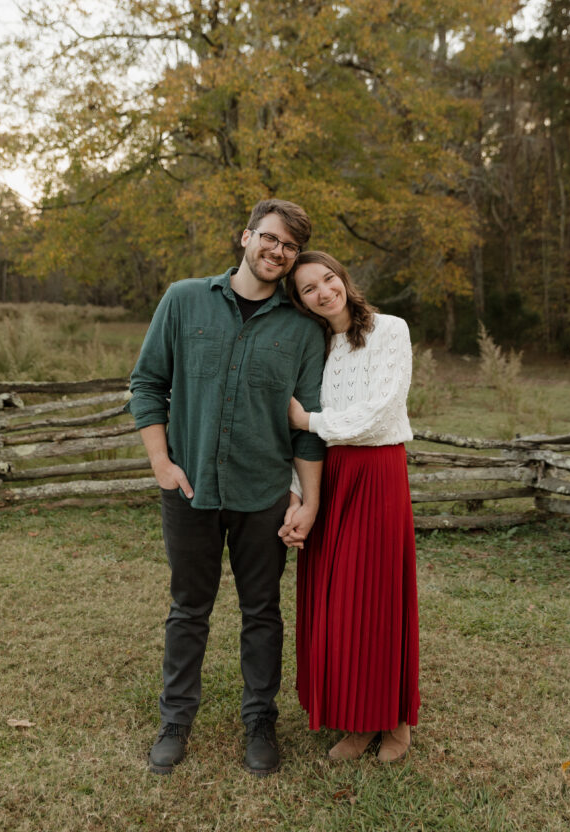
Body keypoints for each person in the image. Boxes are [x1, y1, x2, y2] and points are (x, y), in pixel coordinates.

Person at [127, 200, 325, 777]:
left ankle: (260, 722)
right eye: (270, 238)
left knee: (262, 612)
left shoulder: (302, 328)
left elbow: (308, 424)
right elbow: (147, 384)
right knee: (188, 608)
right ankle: (175, 721)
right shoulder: (184, 298)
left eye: (289, 246)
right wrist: (162, 464)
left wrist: (308, 501)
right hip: (189, 489)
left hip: (263, 493)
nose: (277, 251)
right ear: (246, 237)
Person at [279, 250, 419, 762]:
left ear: (343, 278)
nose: (323, 292)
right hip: (330, 477)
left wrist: (310, 422)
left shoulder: (390, 330)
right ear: (299, 302)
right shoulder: (313, 344)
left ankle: (396, 722)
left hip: (377, 473)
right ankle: (356, 723)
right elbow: (303, 431)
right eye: (309, 289)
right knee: (337, 601)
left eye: (328, 279)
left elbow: (381, 411)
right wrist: (300, 490)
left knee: (377, 597)